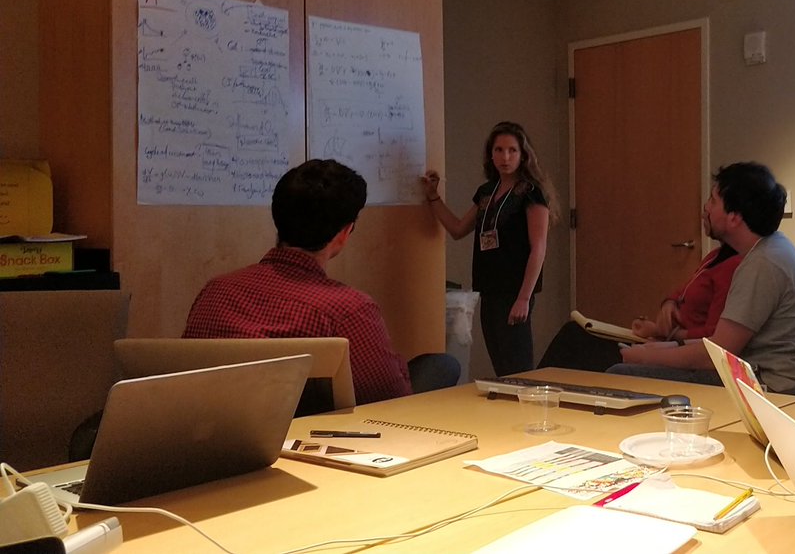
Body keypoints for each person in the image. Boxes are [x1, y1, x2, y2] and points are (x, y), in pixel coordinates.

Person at [184, 159, 412, 404]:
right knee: (440, 365)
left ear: (277, 217)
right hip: (322, 432)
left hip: (225, 427)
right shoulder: (347, 310)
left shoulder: (216, 290)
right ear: (345, 232)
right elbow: (391, 397)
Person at [607, 162, 795, 392]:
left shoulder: (763, 264)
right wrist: (663, 348)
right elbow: (720, 345)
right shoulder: (770, 251)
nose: (706, 208)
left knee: (621, 374)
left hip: (769, 387)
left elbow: (716, 355)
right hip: (755, 374)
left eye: (713, 201)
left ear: (734, 217)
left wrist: (646, 358)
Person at [422, 121, 556, 377]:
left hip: (515, 291)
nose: (505, 157)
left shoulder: (530, 193)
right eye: (499, 150)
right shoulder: (486, 192)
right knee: (501, 363)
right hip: (489, 288)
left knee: (517, 366)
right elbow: (458, 228)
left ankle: (524, 410)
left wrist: (524, 298)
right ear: (490, 154)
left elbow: (539, 248)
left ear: (523, 154)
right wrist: (433, 196)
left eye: (512, 151)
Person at [537, 241, 743, 371]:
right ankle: (528, 390)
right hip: (664, 338)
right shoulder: (714, 256)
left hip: (675, 347)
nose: (705, 210)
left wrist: (669, 334)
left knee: (577, 345)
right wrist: (669, 303)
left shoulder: (734, 267)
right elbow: (682, 291)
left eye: (713, 202)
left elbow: (712, 335)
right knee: (573, 332)